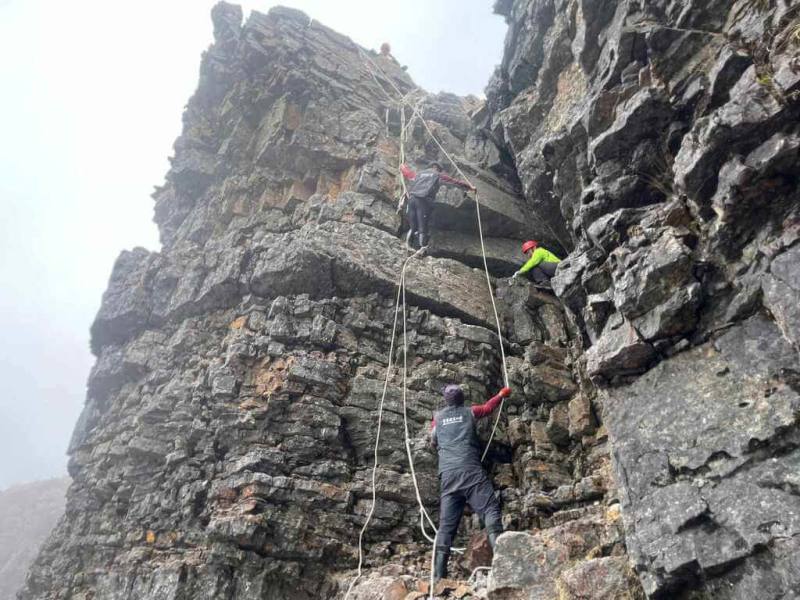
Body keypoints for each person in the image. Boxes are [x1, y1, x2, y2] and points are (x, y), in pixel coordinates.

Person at [430, 384, 512, 581]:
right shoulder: (469, 412)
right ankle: (504, 563)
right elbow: (488, 408)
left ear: (446, 400)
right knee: (490, 510)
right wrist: (501, 394)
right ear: (462, 398)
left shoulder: (438, 419)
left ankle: (438, 578)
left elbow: (433, 440)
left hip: (448, 476)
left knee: (446, 526)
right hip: (470, 472)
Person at [400, 162, 475, 250]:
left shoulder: (419, 174)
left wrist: (402, 167)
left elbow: (408, 174)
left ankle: (408, 246)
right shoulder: (437, 175)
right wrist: (470, 187)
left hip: (412, 200)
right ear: (437, 168)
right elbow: (454, 182)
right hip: (423, 201)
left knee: (413, 226)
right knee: (422, 227)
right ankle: (421, 249)